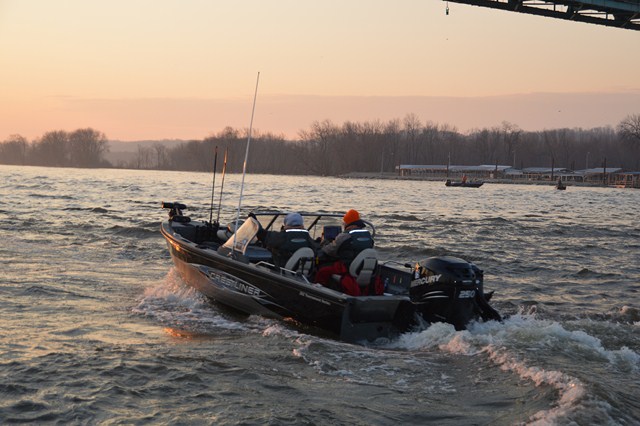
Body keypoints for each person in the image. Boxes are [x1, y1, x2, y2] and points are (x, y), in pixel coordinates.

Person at [316, 209, 382, 296]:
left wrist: (323, 243)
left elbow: (329, 251)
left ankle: (319, 293)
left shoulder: (344, 236)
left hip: (347, 267)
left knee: (322, 271)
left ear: (348, 223)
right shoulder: (368, 236)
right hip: (364, 266)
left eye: (344, 222)